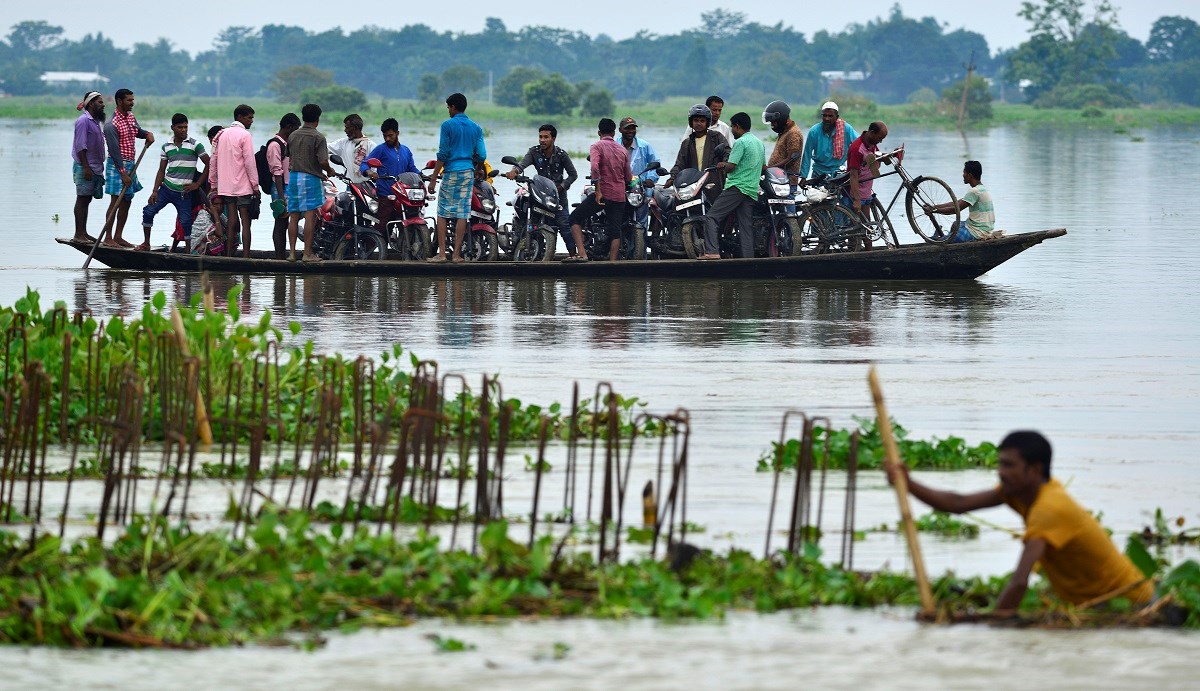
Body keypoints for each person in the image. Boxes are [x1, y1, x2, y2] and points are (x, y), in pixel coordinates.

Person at [887, 431, 1154, 612]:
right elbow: (958, 504)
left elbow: (1019, 581)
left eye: (1009, 466)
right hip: (1091, 606)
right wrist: (908, 484)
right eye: (1000, 465)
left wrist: (992, 624)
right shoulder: (1019, 493)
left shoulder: (1049, 508)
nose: (1001, 473)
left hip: (1129, 604)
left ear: (1035, 469)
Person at [428, 93, 486, 263]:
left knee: (442, 212)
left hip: (451, 172)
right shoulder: (476, 128)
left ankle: (442, 254)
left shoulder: (447, 125)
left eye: (448, 107)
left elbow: (443, 153)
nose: (448, 111)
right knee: (462, 212)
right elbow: (481, 154)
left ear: (453, 107)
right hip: (467, 173)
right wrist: (478, 169)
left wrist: (433, 178)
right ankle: (456, 255)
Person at [698, 112, 764, 260]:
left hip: (737, 187)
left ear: (738, 127)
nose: (732, 130)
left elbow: (731, 167)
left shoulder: (741, 143)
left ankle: (712, 252)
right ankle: (748, 259)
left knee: (711, 217)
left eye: (732, 127)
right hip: (751, 189)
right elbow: (763, 166)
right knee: (745, 226)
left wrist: (722, 165)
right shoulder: (759, 143)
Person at [138, 113, 209, 251]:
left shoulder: (195, 145)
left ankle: (188, 252)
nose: (183, 130)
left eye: (185, 127)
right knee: (148, 211)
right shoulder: (167, 146)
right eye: (180, 127)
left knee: (186, 222)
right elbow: (161, 170)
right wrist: (154, 191)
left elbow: (209, 163)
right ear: (173, 128)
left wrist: (198, 184)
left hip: (184, 192)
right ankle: (146, 243)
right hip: (166, 189)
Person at [566, 118, 631, 262]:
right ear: (614, 133)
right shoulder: (623, 150)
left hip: (603, 195)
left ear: (599, 132)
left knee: (574, 218)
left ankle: (583, 254)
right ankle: (612, 262)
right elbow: (628, 176)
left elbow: (595, 167)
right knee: (615, 231)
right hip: (619, 196)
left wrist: (598, 190)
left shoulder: (597, 146)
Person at [504, 123, 577, 250]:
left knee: (565, 227)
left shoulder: (561, 154)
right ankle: (528, 249)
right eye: (540, 137)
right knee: (533, 224)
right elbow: (521, 165)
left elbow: (573, 175)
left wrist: (561, 186)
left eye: (546, 137)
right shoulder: (534, 152)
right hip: (540, 197)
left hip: (558, 198)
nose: (542, 140)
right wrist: (513, 172)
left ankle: (574, 255)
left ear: (553, 139)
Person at [99, 88, 154, 247]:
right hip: (117, 165)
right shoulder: (111, 125)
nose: (132, 103)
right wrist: (123, 173)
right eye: (129, 100)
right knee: (115, 200)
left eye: (132, 100)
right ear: (119, 101)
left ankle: (118, 236)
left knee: (127, 200)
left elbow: (137, 131)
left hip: (131, 163)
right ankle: (108, 238)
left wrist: (147, 134)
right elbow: (114, 152)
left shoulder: (130, 117)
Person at [286, 103, 336, 263]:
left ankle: (292, 254)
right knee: (310, 216)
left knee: (293, 216)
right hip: (310, 178)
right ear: (317, 119)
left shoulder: (293, 135)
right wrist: (329, 170)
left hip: (293, 177)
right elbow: (322, 161)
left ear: (303, 117)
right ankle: (307, 254)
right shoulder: (318, 137)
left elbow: (288, 154)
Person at [208, 104, 259, 257]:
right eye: (249, 118)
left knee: (231, 221)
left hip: (227, 186)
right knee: (245, 222)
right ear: (240, 117)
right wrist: (255, 185)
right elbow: (249, 161)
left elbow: (213, 160)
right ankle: (246, 256)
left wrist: (213, 183)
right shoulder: (245, 135)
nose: (251, 121)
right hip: (243, 186)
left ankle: (229, 255)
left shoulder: (221, 134)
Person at [362, 117, 421, 235]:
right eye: (385, 136)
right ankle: (374, 249)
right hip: (386, 193)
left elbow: (411, 168)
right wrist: (370, 172)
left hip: (403, 194)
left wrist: (421, 175)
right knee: (382, 225)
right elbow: (364, 164)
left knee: (407, 222)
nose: (387, 138)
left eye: (390, 135)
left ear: (397, 133)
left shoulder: (406, 150)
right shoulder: (380, 149)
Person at [925, 160, 1001, 242]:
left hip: (977, 232)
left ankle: (940, 240)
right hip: (983, 228)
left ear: (970, 175)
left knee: (940, 241)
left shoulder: (974, 191)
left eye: (964, 173)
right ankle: (946, 240)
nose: (963, 175)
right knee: (955, 224)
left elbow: (956, 209)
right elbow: (956, 203)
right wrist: (934, 207)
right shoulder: (981, 189)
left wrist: (935, 210)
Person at [669, 104, 730, 201]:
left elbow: (727, 152)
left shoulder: (717, 137)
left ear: (707, 122)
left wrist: (724, 163)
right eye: (696, 120)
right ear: (691, 122)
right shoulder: (687, 143)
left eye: (702, 121)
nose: (699, 123)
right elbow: (679, 164)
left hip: (712, 183)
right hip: (692, 185)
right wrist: (672, 178)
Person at [846, 121, 891, 251]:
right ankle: (853, 254)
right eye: (879, 138)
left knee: (867, 225)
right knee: (855, 227)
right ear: (872, 133)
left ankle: (869, 252)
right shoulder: (856, 148)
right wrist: (857, 199)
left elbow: (876, 158)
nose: (880, 141)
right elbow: (853, 175)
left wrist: (887, 158)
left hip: (866, 190)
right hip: (856, 191)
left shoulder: (871, 144)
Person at [71, 91, 107, 242]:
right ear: (91, 103)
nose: (103, 104)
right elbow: (80, 146)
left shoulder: (95, 121)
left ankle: (83, 233)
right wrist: (86, 168)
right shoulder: (83, 121)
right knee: (82, 198)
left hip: (94, 166)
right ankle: (78, 234)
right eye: (99, 102)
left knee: (87, 200)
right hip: (84, 166)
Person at [264, 113, 300, 259]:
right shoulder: (275, 145)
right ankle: (279, 257)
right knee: (280, 221)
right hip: (279, 187)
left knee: (286, 222)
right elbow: (277, 172)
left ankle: (283, 255)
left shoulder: (287, 144)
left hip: (288, 186)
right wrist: (280, 197)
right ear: (288, 127)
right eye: (295, 129)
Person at [617, 116, 659, 231]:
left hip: (640, 186)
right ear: (620, 130)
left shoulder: (645, 146)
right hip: (619, 185)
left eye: (633, 128)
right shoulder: (614, 145)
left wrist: (651, 178)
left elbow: (655, 164)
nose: (631, 131)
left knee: (643, 215)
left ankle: (642, 243)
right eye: (627, 128)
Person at [800, 101, 858, 179]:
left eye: (830, 116)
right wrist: (803, 177)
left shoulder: (846, 129)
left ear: (837, 117)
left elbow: (859, 144)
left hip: (838, 174)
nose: (827, 119)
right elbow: (807, 155)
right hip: (819, 173)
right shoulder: (814, 131)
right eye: (825, 115)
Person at [328, 113, 374, 184]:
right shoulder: (343, 143)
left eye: (347, 127)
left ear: (355, 128)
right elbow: (325, 148)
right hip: (350, 186)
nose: (345, 130)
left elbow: (375, 169)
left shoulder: (371, 146)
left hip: (368, 187)